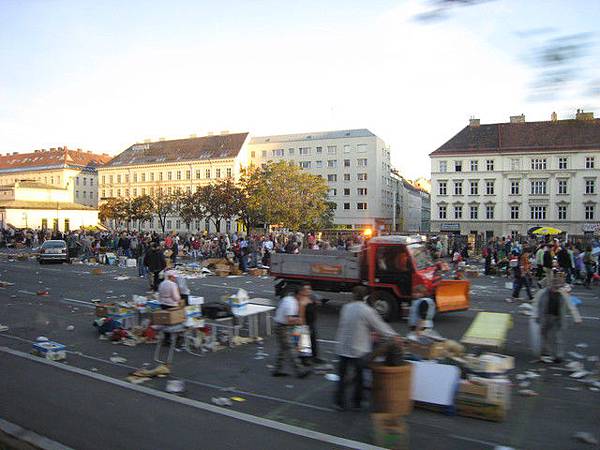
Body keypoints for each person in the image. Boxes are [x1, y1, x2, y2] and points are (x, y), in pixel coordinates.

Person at [334, 286, 400, 411]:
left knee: (342, 376)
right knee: (359, 377)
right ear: (365, 297)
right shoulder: (366, 310)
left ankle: (339, 402)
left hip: (343, 346)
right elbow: (379, 325)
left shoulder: (346, 308)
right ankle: (357, 402)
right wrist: (394, 336)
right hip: (358, 348)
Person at [532, 274, 581, 363]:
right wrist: (535, 315)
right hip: (545, 317)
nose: (556, 286)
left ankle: (559, 355)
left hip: (558, 318)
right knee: (544, 335)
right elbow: (536, 304)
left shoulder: (563, 293)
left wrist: (577, 318)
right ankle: (546, 352)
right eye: (554, 284)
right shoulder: (542, 293)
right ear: (549, 284)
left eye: (558, 284)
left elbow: (570, 305)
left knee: (558, 337)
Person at [272, 285, 310, 378]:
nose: (305, 297)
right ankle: (300, 371)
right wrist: (299, 321)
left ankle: (277, 370)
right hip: (282, 327)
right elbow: (290, 320)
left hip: (280, 325)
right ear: (298, 294)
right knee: (290, 348)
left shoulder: (289, 298)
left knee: (283, 349)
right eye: (304, 295)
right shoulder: (291, 304)